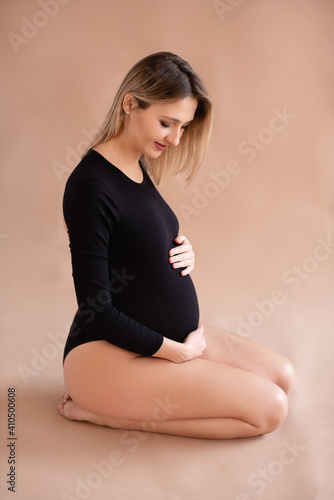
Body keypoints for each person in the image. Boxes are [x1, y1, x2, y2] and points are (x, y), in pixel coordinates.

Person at [58, 52, 294, 439]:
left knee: (283, 376)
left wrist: (180, 249)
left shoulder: (136, 163)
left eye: (183, 126)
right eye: (166, 123)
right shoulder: (90, 186)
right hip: (106, 356)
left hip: (163, 340)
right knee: (271, 410)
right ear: (130, 103)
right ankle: (108, 415)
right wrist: (175, 352)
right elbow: (95, 309)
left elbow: (134, 242)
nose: (175, 138)